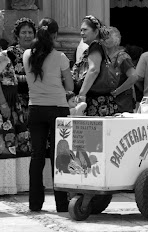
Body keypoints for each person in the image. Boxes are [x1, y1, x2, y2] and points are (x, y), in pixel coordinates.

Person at [22, 17, 73, 212]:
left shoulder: (27, 54)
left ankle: (35, 204)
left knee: (37, 156)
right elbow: (69, 86)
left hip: (35, 108)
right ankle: (61, 203)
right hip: (58, 108)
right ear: (55, 35)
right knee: (59, 156)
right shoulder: (60, 57)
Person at [0, 17, 36, 195]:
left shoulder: (38, 52)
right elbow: (9, 78)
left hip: (34, 99)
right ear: (17, 35)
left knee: (30, 140)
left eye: (30, 32)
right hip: (15, 100)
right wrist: (31, 80)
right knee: (16, 138)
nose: (27, 35)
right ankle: (12, 182)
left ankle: (27, 181)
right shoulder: (10, 53)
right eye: (24, 32)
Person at [72, 15, 118, 116]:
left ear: (96, 32)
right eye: (81, 30)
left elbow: (93, 70)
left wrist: (82, 93)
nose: (81, 33)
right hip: (103, 101)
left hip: (95, 102)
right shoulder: (100, 46)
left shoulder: (95, 45)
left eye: (85, 30)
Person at [100, 26, 135, 113]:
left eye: (107, 38)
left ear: (116, 40)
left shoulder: (122, 56)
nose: (103, 40)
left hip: (121, 103)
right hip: (105, 103)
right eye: (102, 38)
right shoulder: (101, 56)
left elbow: (134, 77)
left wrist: (117, 91)